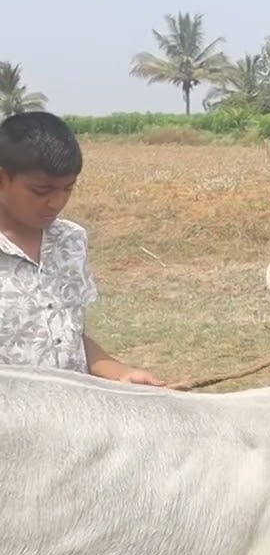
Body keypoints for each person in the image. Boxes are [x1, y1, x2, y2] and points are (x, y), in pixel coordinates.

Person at [0, 111, 163, 385]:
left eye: (68, 189)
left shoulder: (71, 240)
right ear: (2, 180)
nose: (56, 202)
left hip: (77, 415)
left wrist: (120, 372)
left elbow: (71, 336)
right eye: (41, 191)